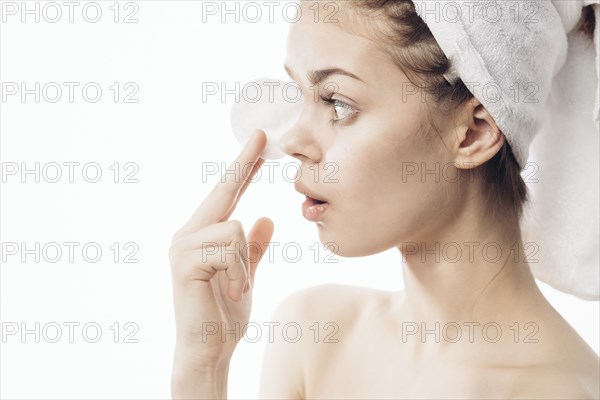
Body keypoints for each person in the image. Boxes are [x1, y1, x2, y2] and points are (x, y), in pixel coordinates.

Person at [169, 1, 600, 398]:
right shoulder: (315, 333)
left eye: (337, 104)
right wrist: (203, 366)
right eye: (300, 97)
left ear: (473, 133)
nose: (293, 140)